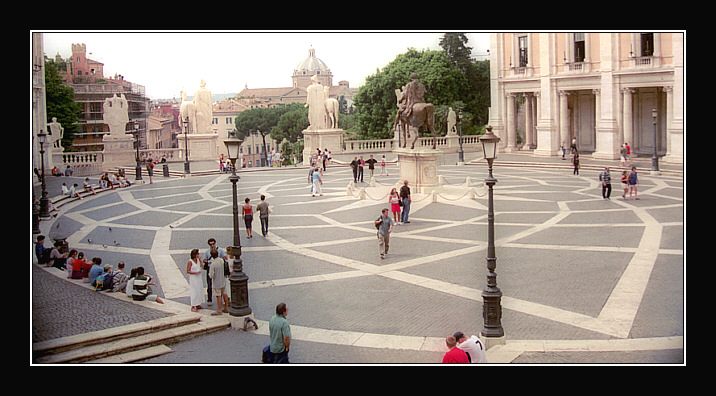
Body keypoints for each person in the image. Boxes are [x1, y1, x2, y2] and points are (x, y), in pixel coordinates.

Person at [202, 238, 227, 305]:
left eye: (213, 244)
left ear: (215, 243)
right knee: (209, 284)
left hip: (219, 269)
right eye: (211, 244)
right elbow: (204, 259)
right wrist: (207, 261)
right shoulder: (207, 252)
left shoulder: (220, 250)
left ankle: (221, 299)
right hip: (210, 267)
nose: (212, 245)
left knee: (220, 284)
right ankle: (209, 299)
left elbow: (225, 257)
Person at [208, 249, 229, 315]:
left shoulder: (213, 264)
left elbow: (211, 275)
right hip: (223, 280)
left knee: (218, 296)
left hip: (216, 282)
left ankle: (219, 310)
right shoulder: (221, 260)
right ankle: (226, 307)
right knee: (224, 294)